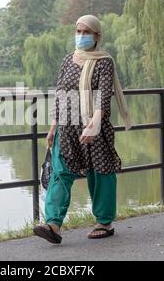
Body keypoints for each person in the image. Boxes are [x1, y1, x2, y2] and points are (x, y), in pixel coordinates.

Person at [33, 14, 133, 244]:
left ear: (97, 36)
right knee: (60, 172)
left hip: (93, 124)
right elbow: (60, 96)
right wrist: (53, 127)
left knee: (100, 173)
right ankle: (53, 225)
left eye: (86, 32)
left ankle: (104, 222)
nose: (81, 36)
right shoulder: (68, 60)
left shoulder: (104, 62)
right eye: (78, 31)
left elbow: (104, 97)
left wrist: (95, 124)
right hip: (66, 127)